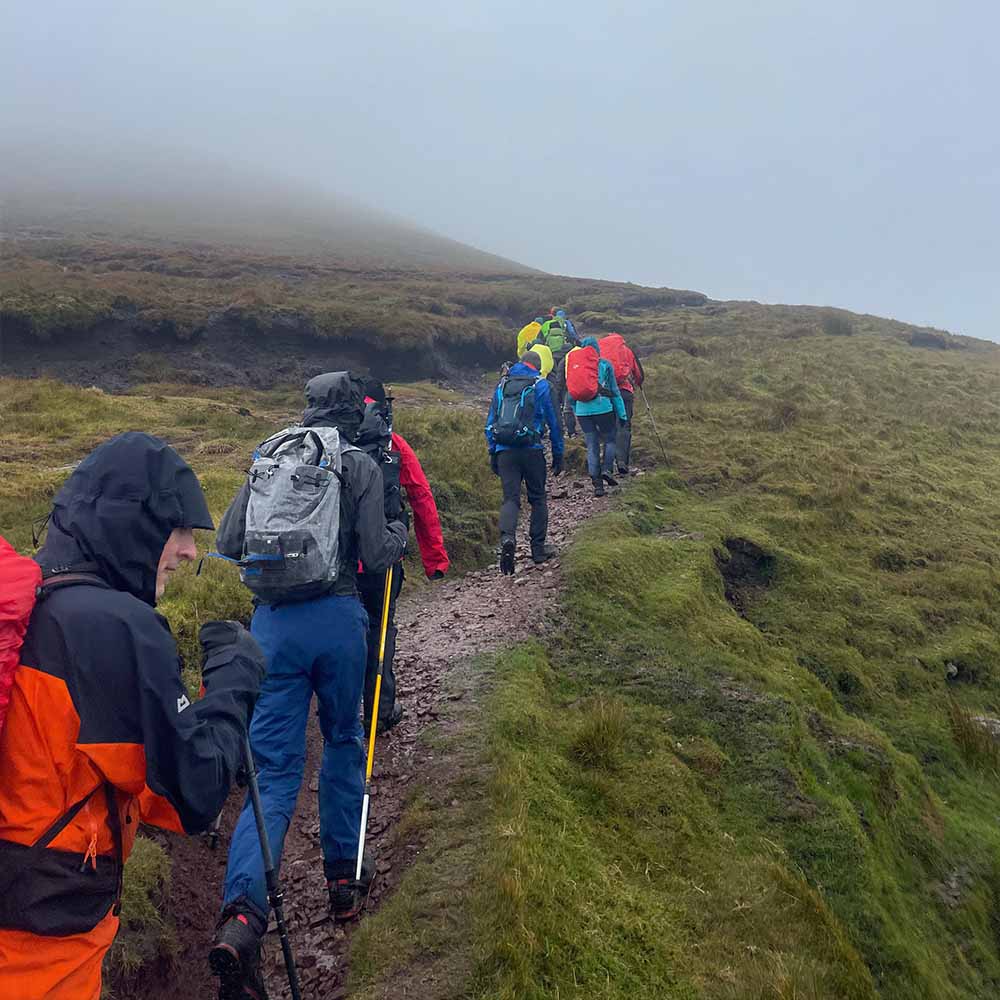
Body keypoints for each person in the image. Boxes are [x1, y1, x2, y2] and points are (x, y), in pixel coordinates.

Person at [0, 433, 264, 1000]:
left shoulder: (26, 598)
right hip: (44, 953)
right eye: (179, 528)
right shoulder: (118, 629)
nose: (191, 550)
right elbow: (190, 794)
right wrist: (234, 686)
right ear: (133, 524)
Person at [210, 372, 407, 998]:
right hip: (339, 619)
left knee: (270, 769)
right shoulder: (359, 465)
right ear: (356, 413)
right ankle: (343, 881)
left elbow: (227, 541)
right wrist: (400, 536)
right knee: (345, 740)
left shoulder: (271, 453)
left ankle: (243, 915)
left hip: (271, 628)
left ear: (308, 408)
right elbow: (375, 554)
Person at [355, 380, 449, 735]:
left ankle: (338, 711)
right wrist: (435, 559)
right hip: (381, 559)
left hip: (337, 559)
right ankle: (378, 712)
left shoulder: (328, 439)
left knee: (343, 628)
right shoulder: (392, 444)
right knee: (380, 632)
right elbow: (421, 497)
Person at [485, 350, 564, 575]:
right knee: (538, 498)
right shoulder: (541, 385)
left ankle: (508, 540)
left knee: (510, 498)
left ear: (521, 363)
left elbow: (491, 421)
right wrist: (558, 454)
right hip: (531, 450)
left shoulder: (503, 385)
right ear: (537, 366)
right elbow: (554, 422)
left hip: (505, 451)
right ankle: (537, 549)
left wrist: (494, 451)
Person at [570, 337, 628, 496]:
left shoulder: (576, 365)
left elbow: (571, 395)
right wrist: (622, 414)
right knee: (610, 440)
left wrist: (577, 410)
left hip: (583, 412)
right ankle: (607, 470)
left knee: (592, 445)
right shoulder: (604, 364)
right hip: (603, 409)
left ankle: (597, 486)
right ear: (597, 348)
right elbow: (615, 392)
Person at [598, 332, 645, 475]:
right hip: (624, 392)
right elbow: (639, 374)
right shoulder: (627, 351)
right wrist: (638, 383)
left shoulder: (599, 350)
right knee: (624, 426)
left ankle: (607, 465)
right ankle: (622, 461)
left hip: (605, 393)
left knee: (608, 428)